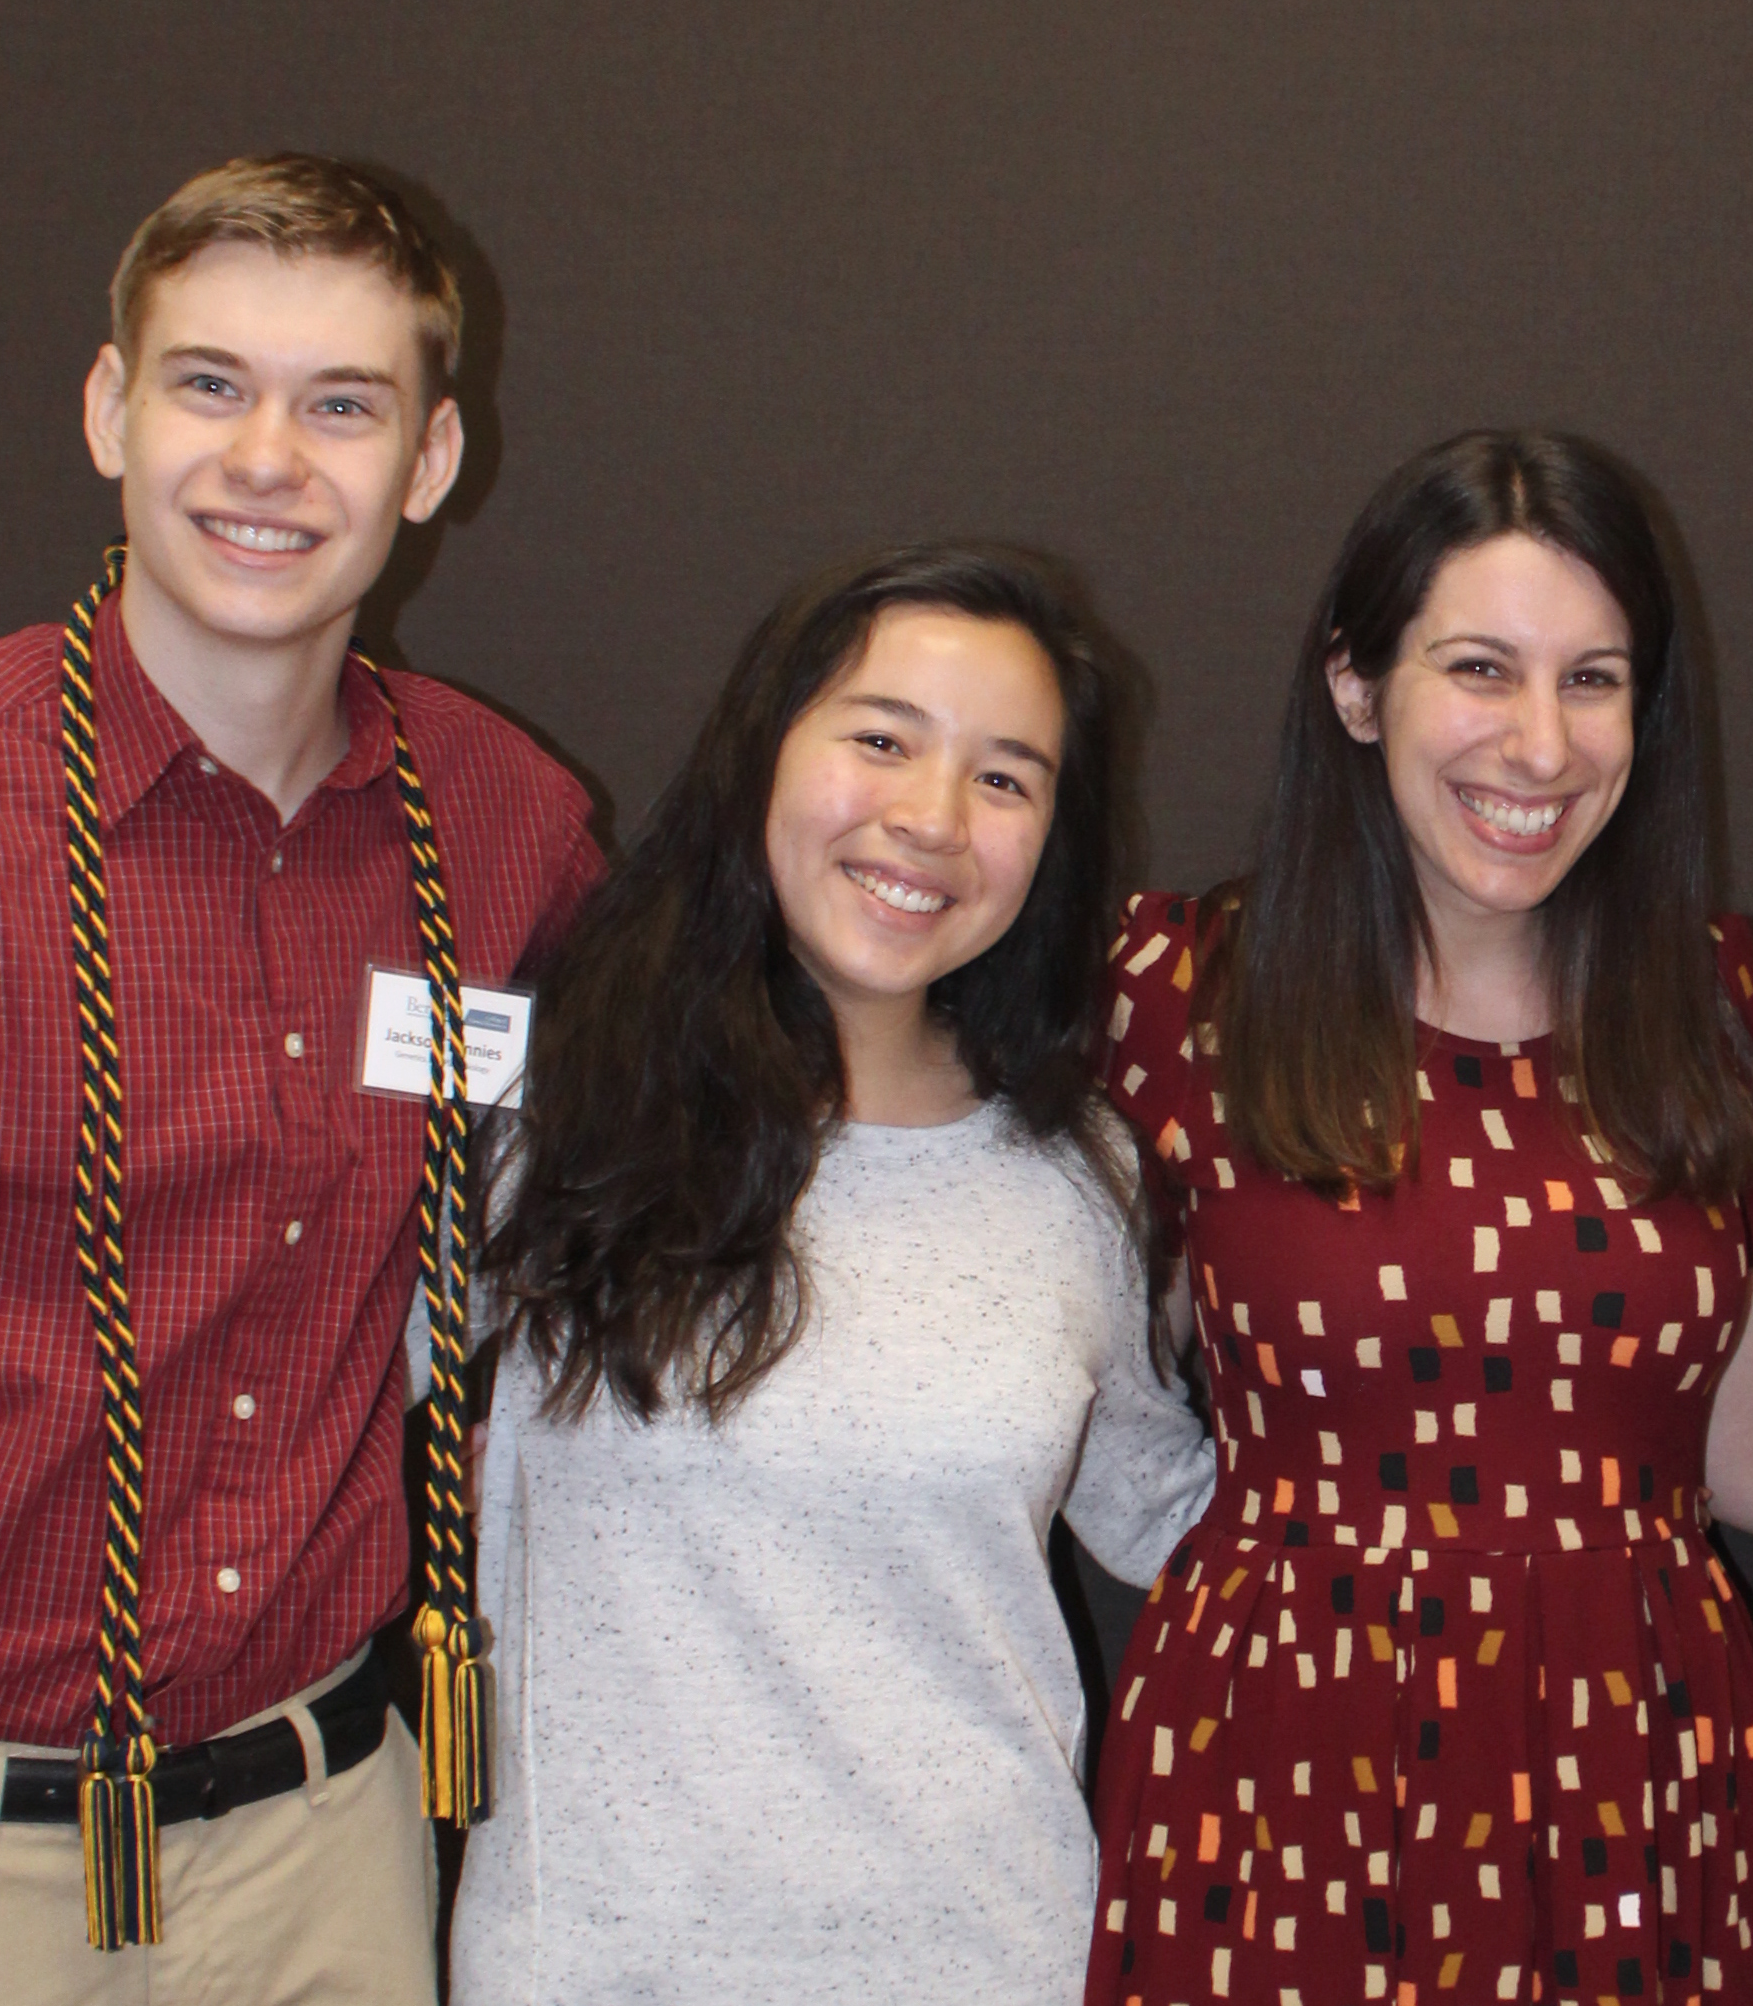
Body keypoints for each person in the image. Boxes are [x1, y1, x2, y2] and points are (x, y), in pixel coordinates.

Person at [0, 155, 600, 2005]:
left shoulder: (506, 829)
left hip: (324, 1855)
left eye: (343, 405)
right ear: (109, 410)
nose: (269, 457)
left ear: (429, 463)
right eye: (208, 383)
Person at [1082, 430, 1753, 2006]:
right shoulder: (1176, 994)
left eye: (1596, 679)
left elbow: (1752, 1454)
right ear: (1357, 686)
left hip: (1648, 1774)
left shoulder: (1716, 1005)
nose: (1540, 745)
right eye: (1481, 666)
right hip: (1285, 1768)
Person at [445, 546, 1213, 2003]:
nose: (931, 818)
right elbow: (301, 1371)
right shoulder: (555, 1113)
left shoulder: (1080, 1175)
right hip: (592, 1967)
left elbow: (1170, 1522)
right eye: (881, 738)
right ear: (763, 750)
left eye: (1008, 778)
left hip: (987, 1959)